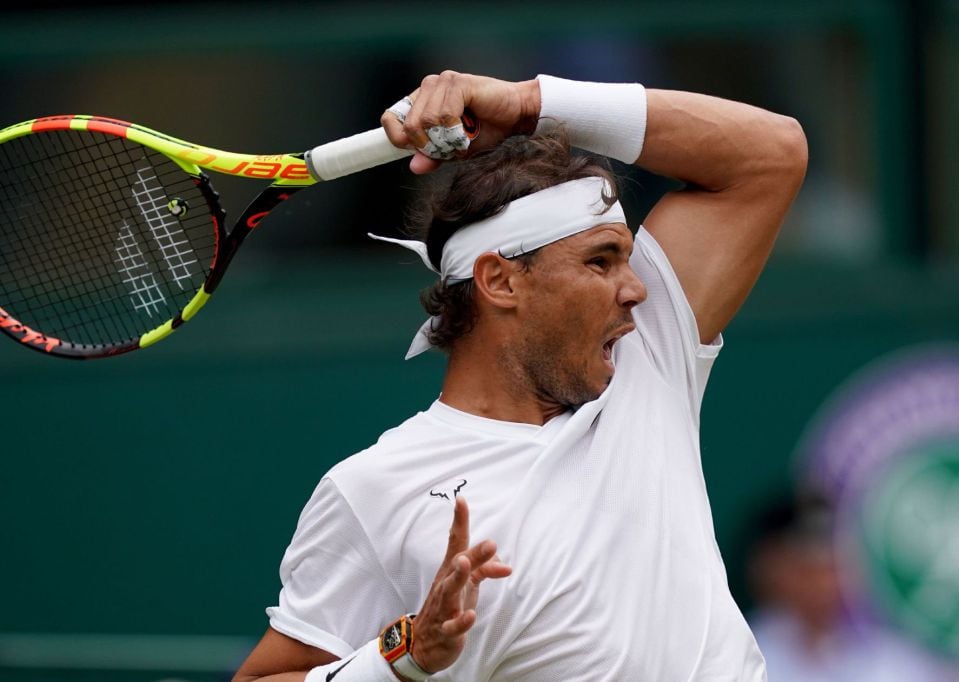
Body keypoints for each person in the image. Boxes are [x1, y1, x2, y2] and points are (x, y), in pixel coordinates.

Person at [233, 70, 807, 681]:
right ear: (500, 281)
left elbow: (772, 152)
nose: (636, 288)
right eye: (601, 261)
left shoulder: (649, 358)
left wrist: (529, 103)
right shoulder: (373, 489)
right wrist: (400, 657)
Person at [744, 489, 941, 682]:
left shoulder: (894, 659)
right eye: (809, 568)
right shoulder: (744, 648)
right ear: (773, 569)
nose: (825, 581)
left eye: (833, 566)